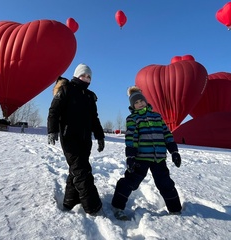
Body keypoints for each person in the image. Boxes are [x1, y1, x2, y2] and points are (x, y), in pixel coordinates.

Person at [111, 86, 182, 220]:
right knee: (130, 181)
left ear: (145, 100)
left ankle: (175, 210)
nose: (139, 104)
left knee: (165, 183)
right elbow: (131, 138)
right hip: (141, 158)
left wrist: (174, 151)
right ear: (132, 105)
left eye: (141, 101)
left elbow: (167, 134)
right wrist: (131, 157)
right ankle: (117, 206)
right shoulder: (133, 118)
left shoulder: (157, 116)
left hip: (159, 158)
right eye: (136, 103)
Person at [47, 63, 105, 216]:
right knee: (82, 172)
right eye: (83, 75)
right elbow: (54, 111)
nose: (86, 79)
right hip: (69, 138)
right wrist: (52, 130)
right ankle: (93, 207)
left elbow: (94, 118)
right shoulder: (66, 90)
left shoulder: (89, 96)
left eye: (88, 77)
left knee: (76, 171)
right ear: (76, 75)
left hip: (85, 140)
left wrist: (100, 136)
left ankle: (69, 200)